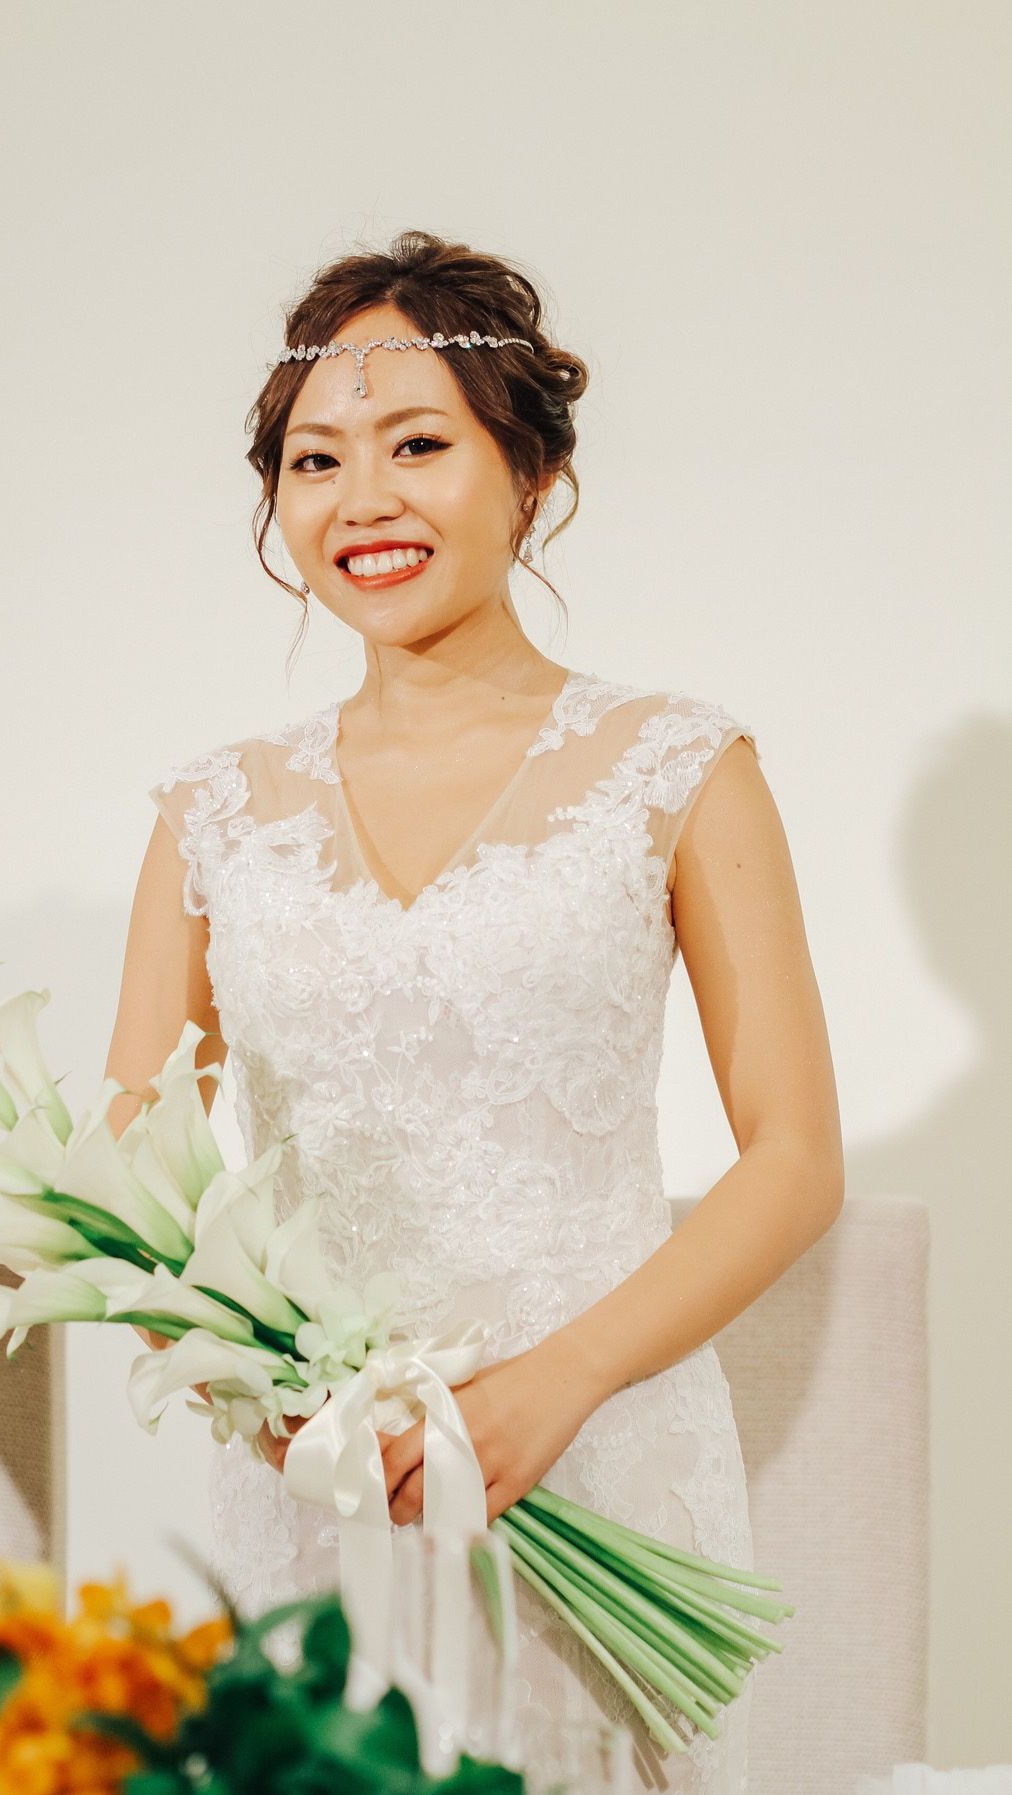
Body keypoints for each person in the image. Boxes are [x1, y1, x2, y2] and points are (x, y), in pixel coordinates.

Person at [104, 230, 844, 1791]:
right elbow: (131, 1160)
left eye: (418, 445)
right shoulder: (214, 811)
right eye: (316, 461)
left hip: (601, 1466)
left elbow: (793, 1160)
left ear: (533, 475)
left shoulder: (678, 767)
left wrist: (560, 1383)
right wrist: (255, 1382)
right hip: (316, 1484)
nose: (361, 499)